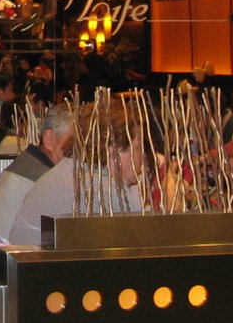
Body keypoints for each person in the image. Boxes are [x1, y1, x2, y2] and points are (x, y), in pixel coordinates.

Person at [9, 100, 145, 246]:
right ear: (114, 152)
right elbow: (144, 243)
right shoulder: (106, 191)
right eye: (138, 147)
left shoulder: (64, 171)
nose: (143, 156)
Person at [0, 103, 73, 240]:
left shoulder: (27, 164)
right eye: (73, 142)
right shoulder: (44, 178)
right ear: (49, 139)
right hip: (8, 252)